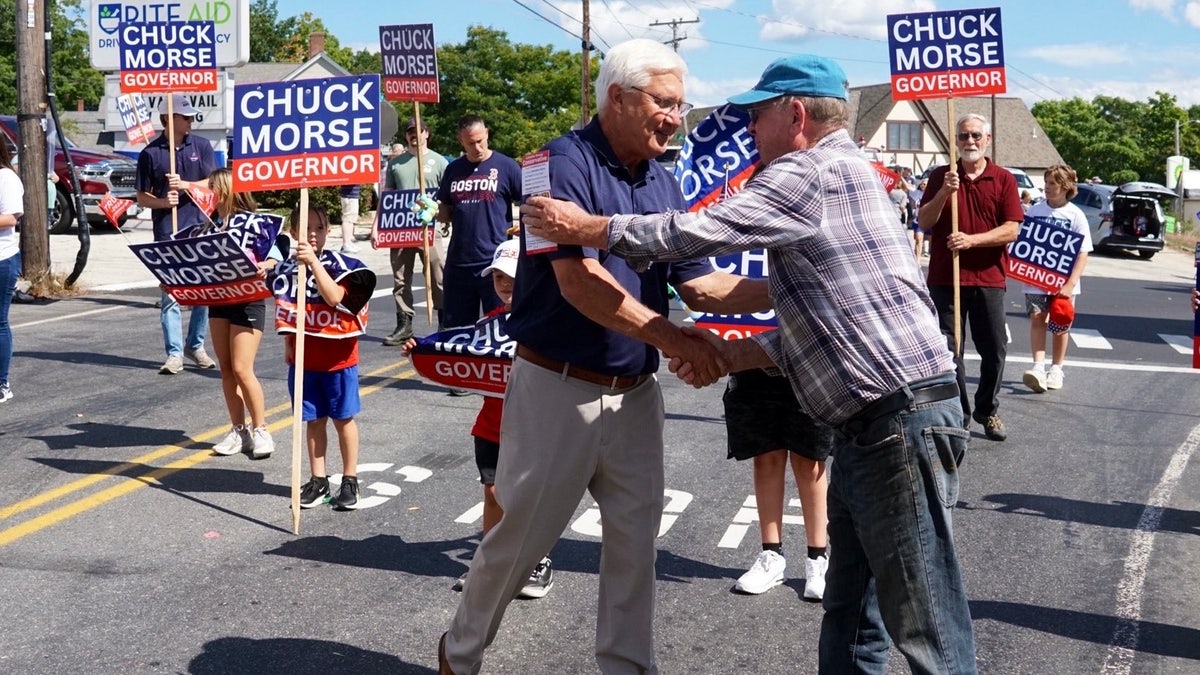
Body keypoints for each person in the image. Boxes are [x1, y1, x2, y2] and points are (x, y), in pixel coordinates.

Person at [523, 52, 978, 674]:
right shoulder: (855, 171)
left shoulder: (803, 173)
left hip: (895, 423)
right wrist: (731, 353)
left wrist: (589, 227)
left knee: (926, 626)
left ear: (794, 114)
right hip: (882, 419)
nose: (748, 130)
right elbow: (831, 315)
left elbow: (695, 235)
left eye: (757, 115)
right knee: (853, 614)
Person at [439, 39, 770, 675]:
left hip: (636, 392)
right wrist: (677, 341)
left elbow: (699, 283)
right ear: (617, 97)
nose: (675, 117)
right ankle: (461, 653)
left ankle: (626, 666)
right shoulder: (550, 166)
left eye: (681, 105)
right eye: (665, 103)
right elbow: (579, 283)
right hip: (558, 388)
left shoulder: (663, 176)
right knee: (518, 541)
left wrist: (797, 288)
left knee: (634, 545)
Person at [403, 239, 555, 599]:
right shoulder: (488, 323)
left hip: (535, 430)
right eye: (499, 277)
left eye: (512, 277)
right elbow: (460, 348)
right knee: (492, 494)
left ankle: (538, 562)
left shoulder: (550, 321)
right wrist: (423, 349)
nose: (504, 284)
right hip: (491, 427)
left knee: (529, 499)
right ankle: (488, 561)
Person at [918, 113, 1023, 442]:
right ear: (956, 141)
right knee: (950, 352)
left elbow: (1012, 228)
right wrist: (942, 193)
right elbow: (924, 220)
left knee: (994, 349)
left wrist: (972, 240)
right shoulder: (941, 176)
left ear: (987, 140)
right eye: (963, 136)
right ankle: (959, 416)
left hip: (988, 278)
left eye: (976, 136)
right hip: (945, 278)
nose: (970, 142)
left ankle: (986, 409)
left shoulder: (1003, 179)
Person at [275, 204, 374, 510]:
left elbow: (334, 298)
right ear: (293, 233)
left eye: (318, 228)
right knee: (313, 421)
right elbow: (288, 310)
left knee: (343, 419)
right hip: (305, 362)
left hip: (338, 361)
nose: (312, 235)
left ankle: (350, 479)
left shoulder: (343, 265)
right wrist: (289, 346)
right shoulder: (287, 271)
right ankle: (319, 480)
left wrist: (313, 263)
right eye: (305, 229)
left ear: (328, 231)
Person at [724, 369, 831, 599]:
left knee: (809, 458)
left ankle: (818, 558)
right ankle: (771, 555)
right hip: (756, 356)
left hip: (806, 360)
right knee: (765, 455)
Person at [135, 94, 217, 375]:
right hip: (167, 232)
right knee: (171, 294)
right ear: (169, 120)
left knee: (201, 293)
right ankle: (174, 354)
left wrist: (187, 185)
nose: (191, 120)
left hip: (199, 228)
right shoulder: (151, 153)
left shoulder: (202, 146)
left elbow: (214, 183)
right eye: (186, 116)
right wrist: (162, 202)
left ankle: (196, 345)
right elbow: (141, 196)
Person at [201, 168, 279, 459]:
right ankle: (239, 430)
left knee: (243, 368)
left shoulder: (254, 223)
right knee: (226, 368)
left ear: (224, 190)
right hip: (219, 299)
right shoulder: (208, 227)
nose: (206, 193)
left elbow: (278, 250)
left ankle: (261, 430)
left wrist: (268, 264)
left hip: (248, 299)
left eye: (210, 187)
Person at [435, 115, 522, 329]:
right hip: (459, 263)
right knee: (457, 332)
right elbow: (445, 210)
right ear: (461, 141)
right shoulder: (453, 169)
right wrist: (432, 210)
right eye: (470, 143)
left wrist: (525, 223)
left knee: (501, 329)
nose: (477, 147)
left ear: (487, 134)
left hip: (495, 263)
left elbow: (530, 200)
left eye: (480, 141)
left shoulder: (507, 166)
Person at [376, 118, 450, 346]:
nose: (414, 135)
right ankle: (404, 324)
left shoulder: (439, 162)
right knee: (400, 279)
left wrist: (446, 218)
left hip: (429, 228)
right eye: (410, 132)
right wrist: (376, 226)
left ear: (426, 133)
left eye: (418, 131)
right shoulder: (397, 164)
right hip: (400, 229)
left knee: (438, 276)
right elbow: (386, 197)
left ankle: (445, 322)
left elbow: (447, 197)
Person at [1020, 164, 1092, 393]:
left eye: (1053, 183)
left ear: (1066, 186)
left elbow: (1083, 252)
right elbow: (1024, 243)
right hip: (1036, 279)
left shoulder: (1075, 215)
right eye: (1047, 182)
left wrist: (1070, 284)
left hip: (1064, 283)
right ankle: (1038, 367)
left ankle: (1056, 369)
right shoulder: (1035, 211)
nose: (1047, 187)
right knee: (1037, 319)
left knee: (1060, 324)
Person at [0, 138, 23, 402]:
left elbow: (11, 217)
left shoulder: (6, 177)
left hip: (2, 259)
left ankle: (2, 382)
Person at [338, 184, 361, 254]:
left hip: (352, 196)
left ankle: (349, 242)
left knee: (351, 220)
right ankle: (346, 243)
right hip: (349, 196)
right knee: (348, 219)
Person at [909, 178, 927, 258]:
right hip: (918, 220)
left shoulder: (932, 194)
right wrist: (901, 177)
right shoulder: (917, 193)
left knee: (931, 241)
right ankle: (918, 261)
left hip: (930, 219)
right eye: (922, 183)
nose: (923, 185)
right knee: (918, 238)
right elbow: (908, 187)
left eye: (925, 184)